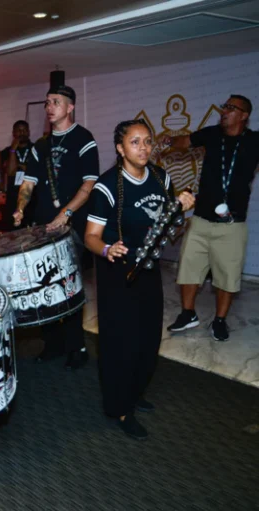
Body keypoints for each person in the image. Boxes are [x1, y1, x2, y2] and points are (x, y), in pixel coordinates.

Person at [85, 119, 195, 439]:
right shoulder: (107, 186)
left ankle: (135, 393)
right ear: (120, 149)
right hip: (116, 272)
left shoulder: (161, 178)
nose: (143, 148)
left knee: (147, 340)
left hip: (148, 270)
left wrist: (181, 211)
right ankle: (119, 408)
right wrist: (107, 249)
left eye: (147, 141)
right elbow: (90, 235)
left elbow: (171, 231)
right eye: (135, 142)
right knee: (121, 344)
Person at [13, 85, 99, 369]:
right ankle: (53, 344)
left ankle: (77, 346)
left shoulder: (84, 139)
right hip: (42, 227)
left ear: (70, 107)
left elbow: (89, 185)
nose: (49, 107)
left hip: (71, 227)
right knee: (44, 286)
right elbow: (28, 182)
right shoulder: (41, 146)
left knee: (69, 286)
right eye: (48, 102)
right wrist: (20, 207)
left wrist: (66, 213)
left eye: (56, 102)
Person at [164, 94, 259, 342]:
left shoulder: (255, 141)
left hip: (232, 224)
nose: (224, 110)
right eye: (224, 106)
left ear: (244, 115)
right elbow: (185, 142)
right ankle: (187, 314)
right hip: (201, 220)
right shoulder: (212, 134)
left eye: (230, 107)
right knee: (188, 270)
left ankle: (219, 320)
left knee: (227, 277)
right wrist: (168, 140)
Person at [1, 120, 36, 229]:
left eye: (24, 130)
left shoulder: (35, 149)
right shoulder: (7, 151)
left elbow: (33, 170)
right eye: (19, 131)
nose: (22, 133)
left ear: (29, 132)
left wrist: (21, 166)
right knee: (12, 230)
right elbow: (11, 172)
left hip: (32, 196)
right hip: (13, 196)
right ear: (13, 133)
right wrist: (12, 150)